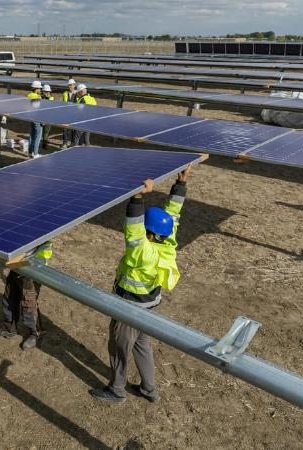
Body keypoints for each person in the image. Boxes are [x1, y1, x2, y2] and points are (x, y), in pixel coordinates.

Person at [89, 165, 193, 404]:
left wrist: (137, 198)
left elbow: (133, 230)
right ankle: (149, 389)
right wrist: (181, 185)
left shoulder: (142, 252)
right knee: (142, 345)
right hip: (149, 306)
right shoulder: (168, 242)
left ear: (149, 234)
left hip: (130, 307)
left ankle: (116, 390)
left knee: (119, 347)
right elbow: (173, 215)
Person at [0, 241, 52, 349]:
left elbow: (40, 244)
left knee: (29, 302)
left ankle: (35, 333)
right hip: (17, 261)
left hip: (33, 265)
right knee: (10, 295)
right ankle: (9, 328)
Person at [27, 80, 44, 159]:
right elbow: (39, 110)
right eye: (39, 88)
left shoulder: (29, 95)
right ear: (36, 89)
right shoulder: (38, 97)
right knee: (38, 136)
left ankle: (30, 152)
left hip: (30, 118)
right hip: (37, 119)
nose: (40, 90)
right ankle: (36, 153)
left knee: (32, 135)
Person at [61, 79, 77, 148]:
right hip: (66, 113)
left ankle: (72, 143)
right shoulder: (65, 93)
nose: (70, 86)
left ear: (74, 85)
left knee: (73, 129)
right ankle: (64, 143)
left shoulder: (77, 94)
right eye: (69, 85)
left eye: (71, 85)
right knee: (64, 129)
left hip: (74, 114)